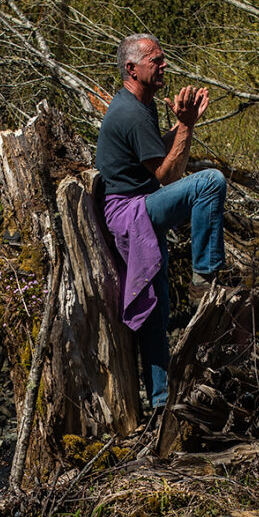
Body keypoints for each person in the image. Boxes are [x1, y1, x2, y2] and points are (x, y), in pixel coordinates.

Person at [96, 33, 228, 411]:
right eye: (156, 60)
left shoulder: (139, 105)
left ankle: (158, 402)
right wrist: (185, 127)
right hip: (130, 212)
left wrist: (182, 125)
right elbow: (167, 176)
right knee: (210, 182)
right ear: (132, 68)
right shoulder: (131, 112)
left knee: (157, 310)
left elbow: (155, 154)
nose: (164, 65)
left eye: (163, 58)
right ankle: (206, 277)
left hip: (139, 206)